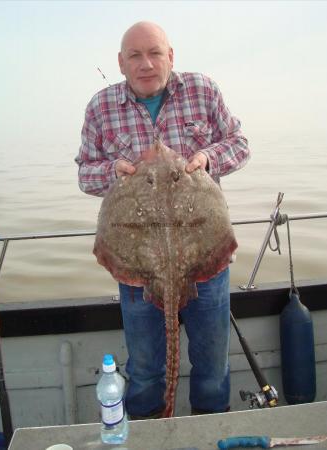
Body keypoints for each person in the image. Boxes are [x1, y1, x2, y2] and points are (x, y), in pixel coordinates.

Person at [75, 21, 250, 419]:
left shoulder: (203, 91)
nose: (146, 63)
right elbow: (85, 173)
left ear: (171, 56)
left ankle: (209, 432)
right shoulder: (100, 108)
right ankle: (149, 435)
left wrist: (206, 159)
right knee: (145, 369)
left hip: (204, 260)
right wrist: (113, 170)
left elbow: (239, 144)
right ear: (121, 63)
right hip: (140, 268)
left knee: (211, 368)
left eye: (155, 53)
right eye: (135, 55)